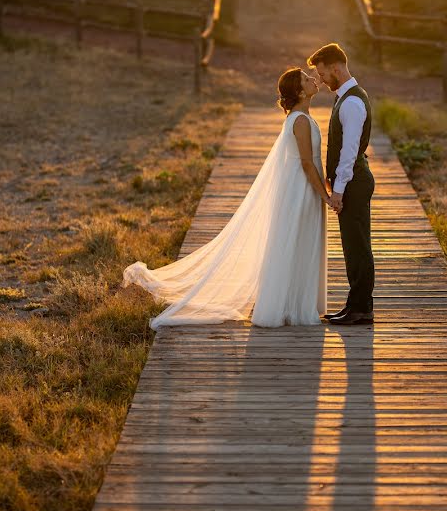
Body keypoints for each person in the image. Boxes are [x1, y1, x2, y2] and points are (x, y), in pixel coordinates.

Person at [122, 68, 329, 328]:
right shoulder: (300, 120)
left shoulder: (301, 118)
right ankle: (290, 306)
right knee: (297, 241)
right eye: (306, 80)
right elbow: (307, 164)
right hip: (301, 189)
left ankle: (293, 303)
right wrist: (326, 196)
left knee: (297, 242)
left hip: (302, 187)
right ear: (300, 91)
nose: (313, 80)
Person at [307, 43, 375, 325]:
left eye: (322, 73)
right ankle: (355, 304)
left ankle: (362, 308)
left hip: (354, 182)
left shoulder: (352, 103)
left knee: (357, 245)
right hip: (352, 180)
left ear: (336, 67)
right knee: (352, 244)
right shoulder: (344, 97)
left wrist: (338, 190)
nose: (321, 80)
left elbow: (349, 152)